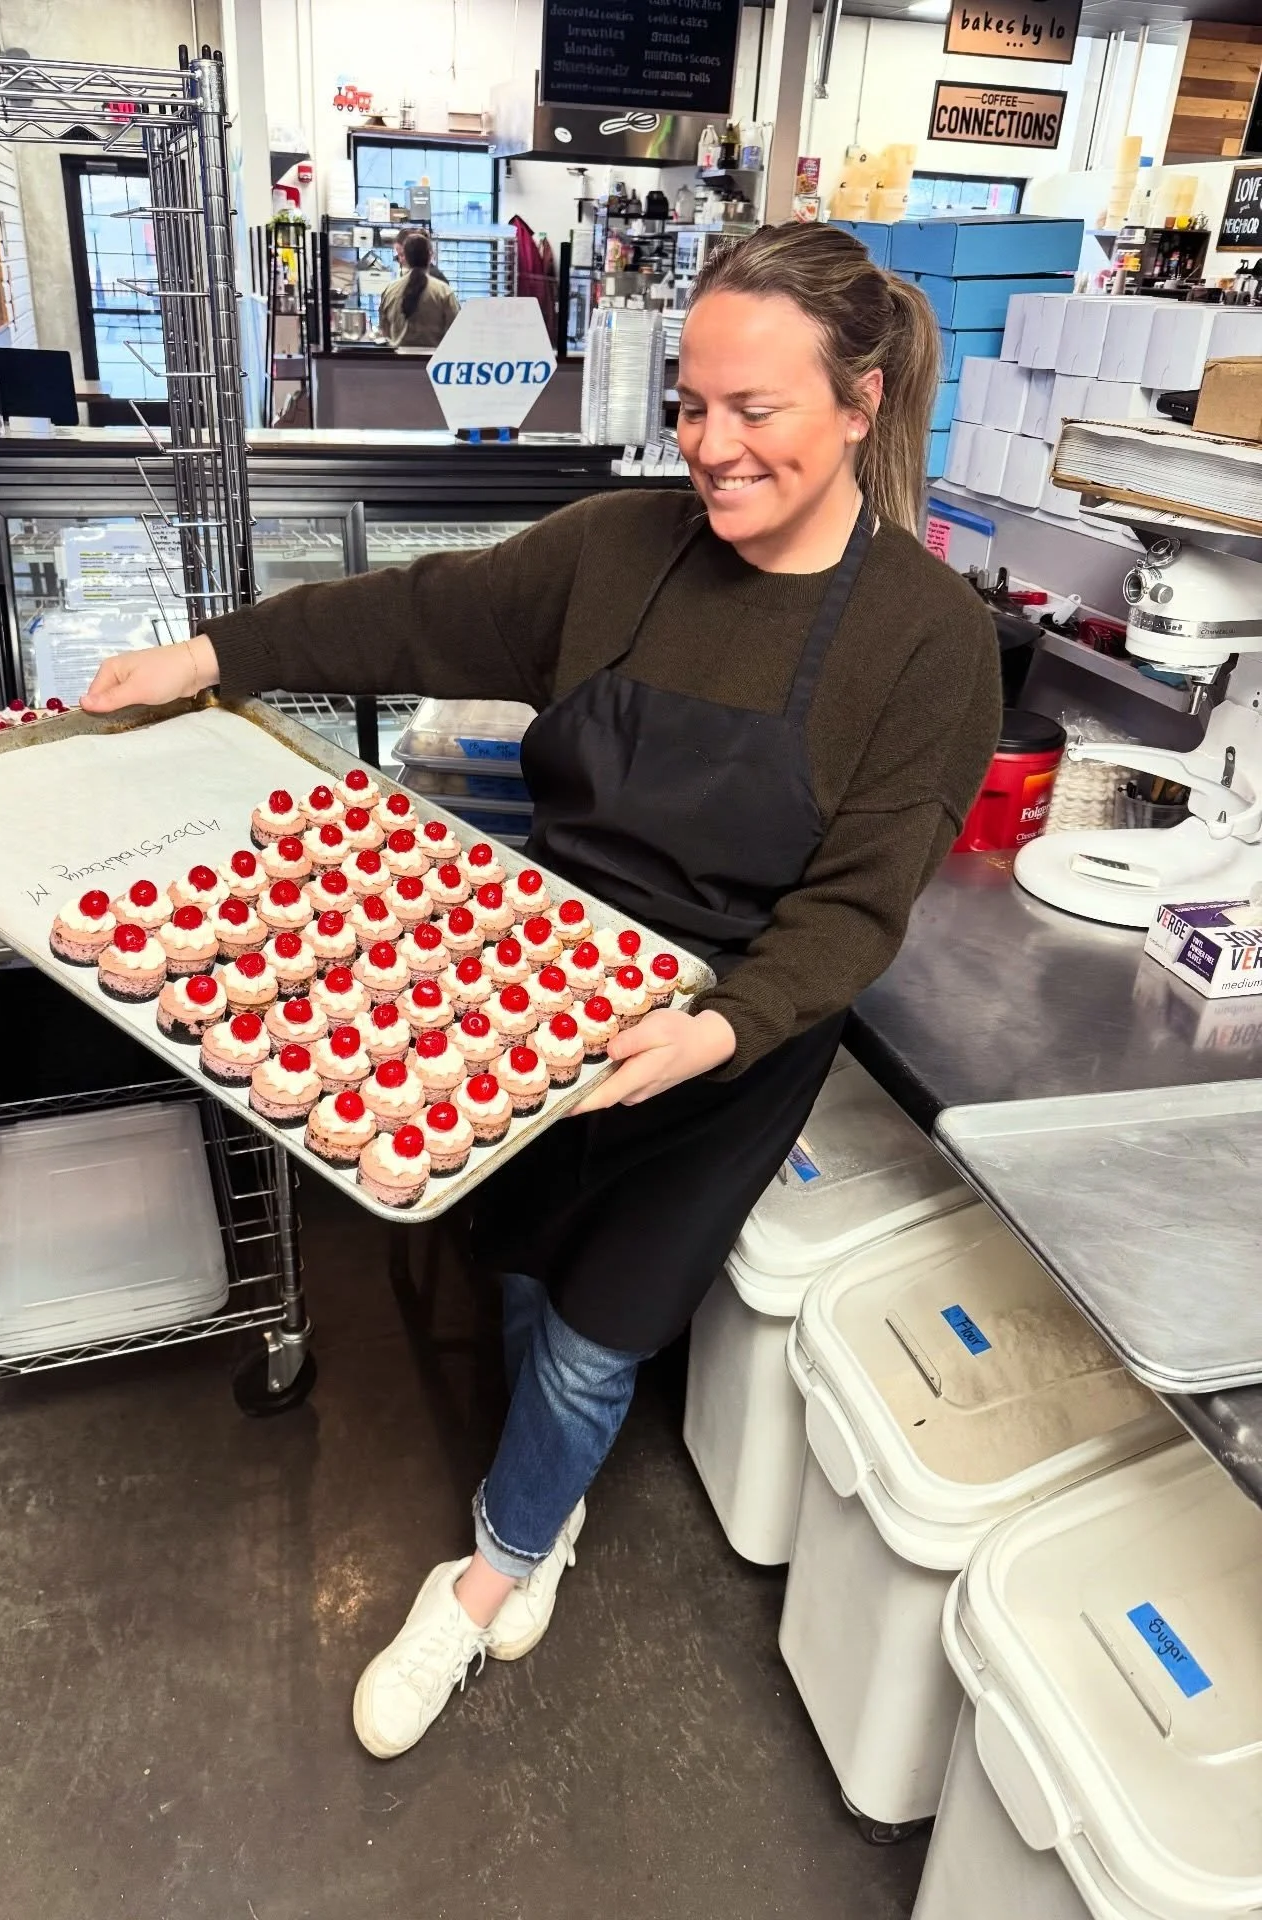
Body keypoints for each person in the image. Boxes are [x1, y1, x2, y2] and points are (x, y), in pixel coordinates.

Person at [82, 222, 1000, 1763]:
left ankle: (500, 1560)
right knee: (516, 1263)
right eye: (693, 404)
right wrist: (213, 656)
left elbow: (858, 908)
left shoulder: (926, 641)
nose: (708, 447)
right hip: (540, 977)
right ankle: (540, 1499)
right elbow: (416, 610)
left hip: (723, 1031)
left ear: (860, 399)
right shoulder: (617, 552)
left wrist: (713, 1028)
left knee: (596, 1332)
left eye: (752, 410)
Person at [378, 232, 458, 350]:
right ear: (430, 255)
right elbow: (455, 331)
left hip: (396, 362)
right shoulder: (443, 292)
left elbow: (385, 330)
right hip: (431, 362)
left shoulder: (390, 290)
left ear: (406, 258)